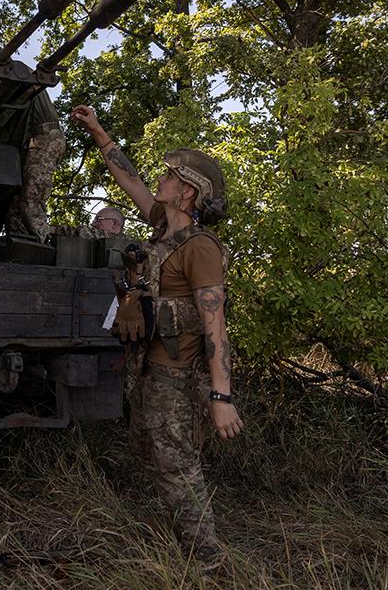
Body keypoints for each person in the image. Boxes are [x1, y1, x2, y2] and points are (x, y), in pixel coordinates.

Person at [71, 104, 242, 568]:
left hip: (176, 375)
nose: (159, 181)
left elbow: (215, 325)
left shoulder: (200, 248)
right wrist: (99, 131)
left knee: (178, 466)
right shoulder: (164, 229)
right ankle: (180, 537)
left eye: (169, 177)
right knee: (152, 454)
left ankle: (208, 559)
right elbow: (128, 179)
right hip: (149, 367)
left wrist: (220, 395)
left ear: (187, 192)